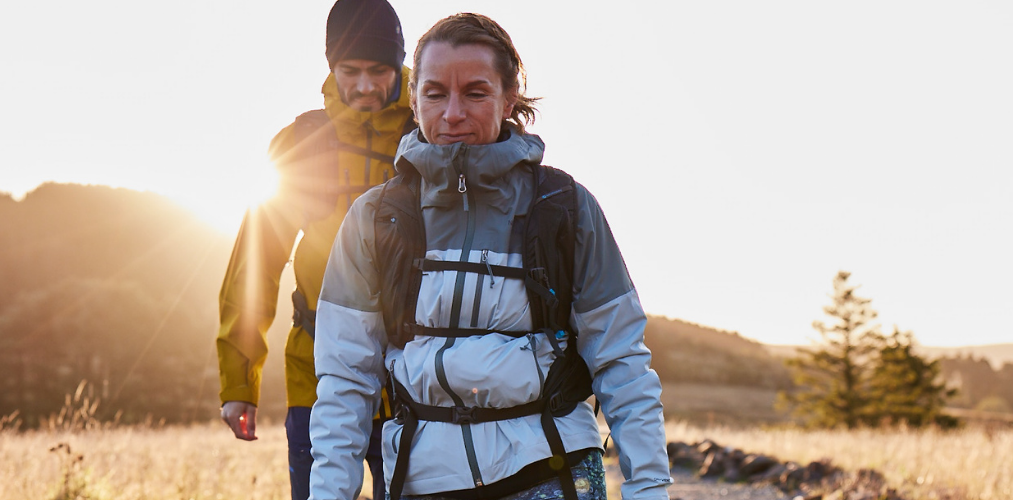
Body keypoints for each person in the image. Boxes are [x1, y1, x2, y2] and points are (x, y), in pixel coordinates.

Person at [308, 13, 671, 500]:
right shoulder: (373, 218)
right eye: (435, 93)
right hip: (424, 478)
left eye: (475, 93)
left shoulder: (564, 206)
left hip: (552, 471)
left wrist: (648, 486)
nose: (453, 113)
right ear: (414, 101)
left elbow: (621, 359)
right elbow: (345, 380)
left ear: (509, 97)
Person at [213, 1, 411, 500]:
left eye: (379, 71)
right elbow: (255, 265)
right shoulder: (304, 143)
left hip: (413, 378)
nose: (365, 85)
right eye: (351, 71)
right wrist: (240, 384)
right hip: (316, 376)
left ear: (399, 67)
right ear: (330, 68)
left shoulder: (427, 135)